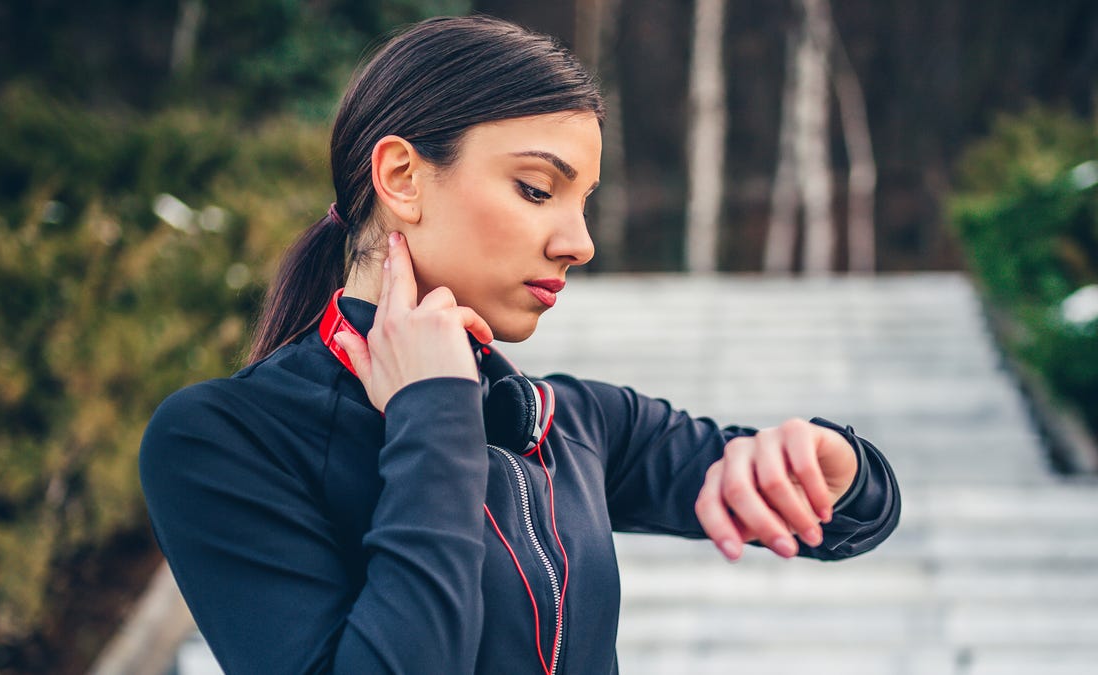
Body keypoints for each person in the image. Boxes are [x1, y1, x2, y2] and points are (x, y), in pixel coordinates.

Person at [139, 15, 901, 675]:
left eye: (584, 202)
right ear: (402, 177)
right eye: (537, 189)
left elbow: (851, 511)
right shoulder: (223, 439)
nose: (579, 242)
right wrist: (431, 414)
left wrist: (832, 464)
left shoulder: (565, 422)